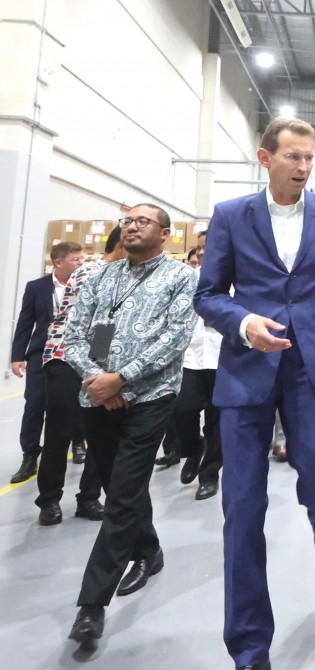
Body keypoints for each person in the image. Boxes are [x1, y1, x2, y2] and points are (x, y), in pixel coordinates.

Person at [194, 116, 315, 670]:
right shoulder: (231, 216)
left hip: (314, 369)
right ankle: (248, 649)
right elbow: (210, 294)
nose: (305, 165)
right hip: (247, 371)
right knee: (242, 508)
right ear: (265, 159)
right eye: (294, 156)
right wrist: (244, 325)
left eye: (310, 157)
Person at [64, 204, 198, 646]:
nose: (132, 226)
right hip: (96, 398)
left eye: (143, 221)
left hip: (150, 398)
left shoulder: (181, 277)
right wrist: (98, 381)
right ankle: (148, 549)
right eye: (128, 220)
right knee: (118, 485)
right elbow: (75, 334)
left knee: (121, 494)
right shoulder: (100, 277)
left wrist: (122, 378)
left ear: (164, 233)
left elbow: (174, 339)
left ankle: (91, 605)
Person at [36, 233, 127, 526]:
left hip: (98, 363)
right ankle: (49, 499)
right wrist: (96, 368)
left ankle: (89, 497)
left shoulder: (126, 277)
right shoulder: (91, 273)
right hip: (66, 358)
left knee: (99, 432)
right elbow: (97, 322)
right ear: (122, 245)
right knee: (59, 431)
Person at [9, 242, 86, 485]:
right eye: (76, 260)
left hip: (75, 355)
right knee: (35, 404)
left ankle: (78, 440)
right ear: (58, 263)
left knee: (74, 403)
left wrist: (100, 356)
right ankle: (30, 454)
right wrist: (17, 356)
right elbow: (25, 322)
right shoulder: (37, 287)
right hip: (41, 354)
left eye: (82, 259)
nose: (81, 264)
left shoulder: (89, 285)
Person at [173, 231, 223, 500]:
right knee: (183, 409)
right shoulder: (186, 278)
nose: (203, 252)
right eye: (200, 248)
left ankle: (210, 474)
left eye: (209, 247)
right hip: (190, 356)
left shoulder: (236, 279)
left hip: (222, 357)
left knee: (217, 420)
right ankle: (193, 449)